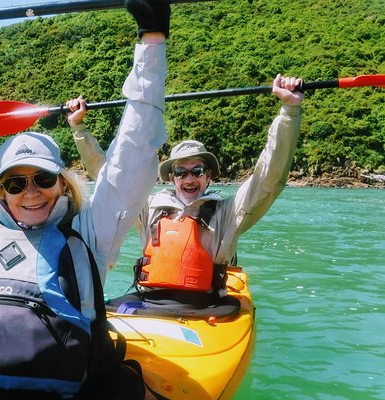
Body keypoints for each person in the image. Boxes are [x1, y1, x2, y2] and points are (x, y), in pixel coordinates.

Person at [0, 0, 170, 400]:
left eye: (43, 178)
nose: (30, 192)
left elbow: (134, 150)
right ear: (0, 191)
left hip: (64, 399)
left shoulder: (90, 231)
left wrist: (152, 41)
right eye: (15, 182)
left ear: (62, 184)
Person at [66, 74, 304, 313]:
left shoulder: (229, 212)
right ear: (172, 178)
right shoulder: (148, 208)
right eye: (181, 172)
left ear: (209, 176)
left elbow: (269, 179)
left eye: (197, 171)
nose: (189, 179)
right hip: (149, 300)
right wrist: (78, 128)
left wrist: (289, 112)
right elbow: (109, 177)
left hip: (206, 307)